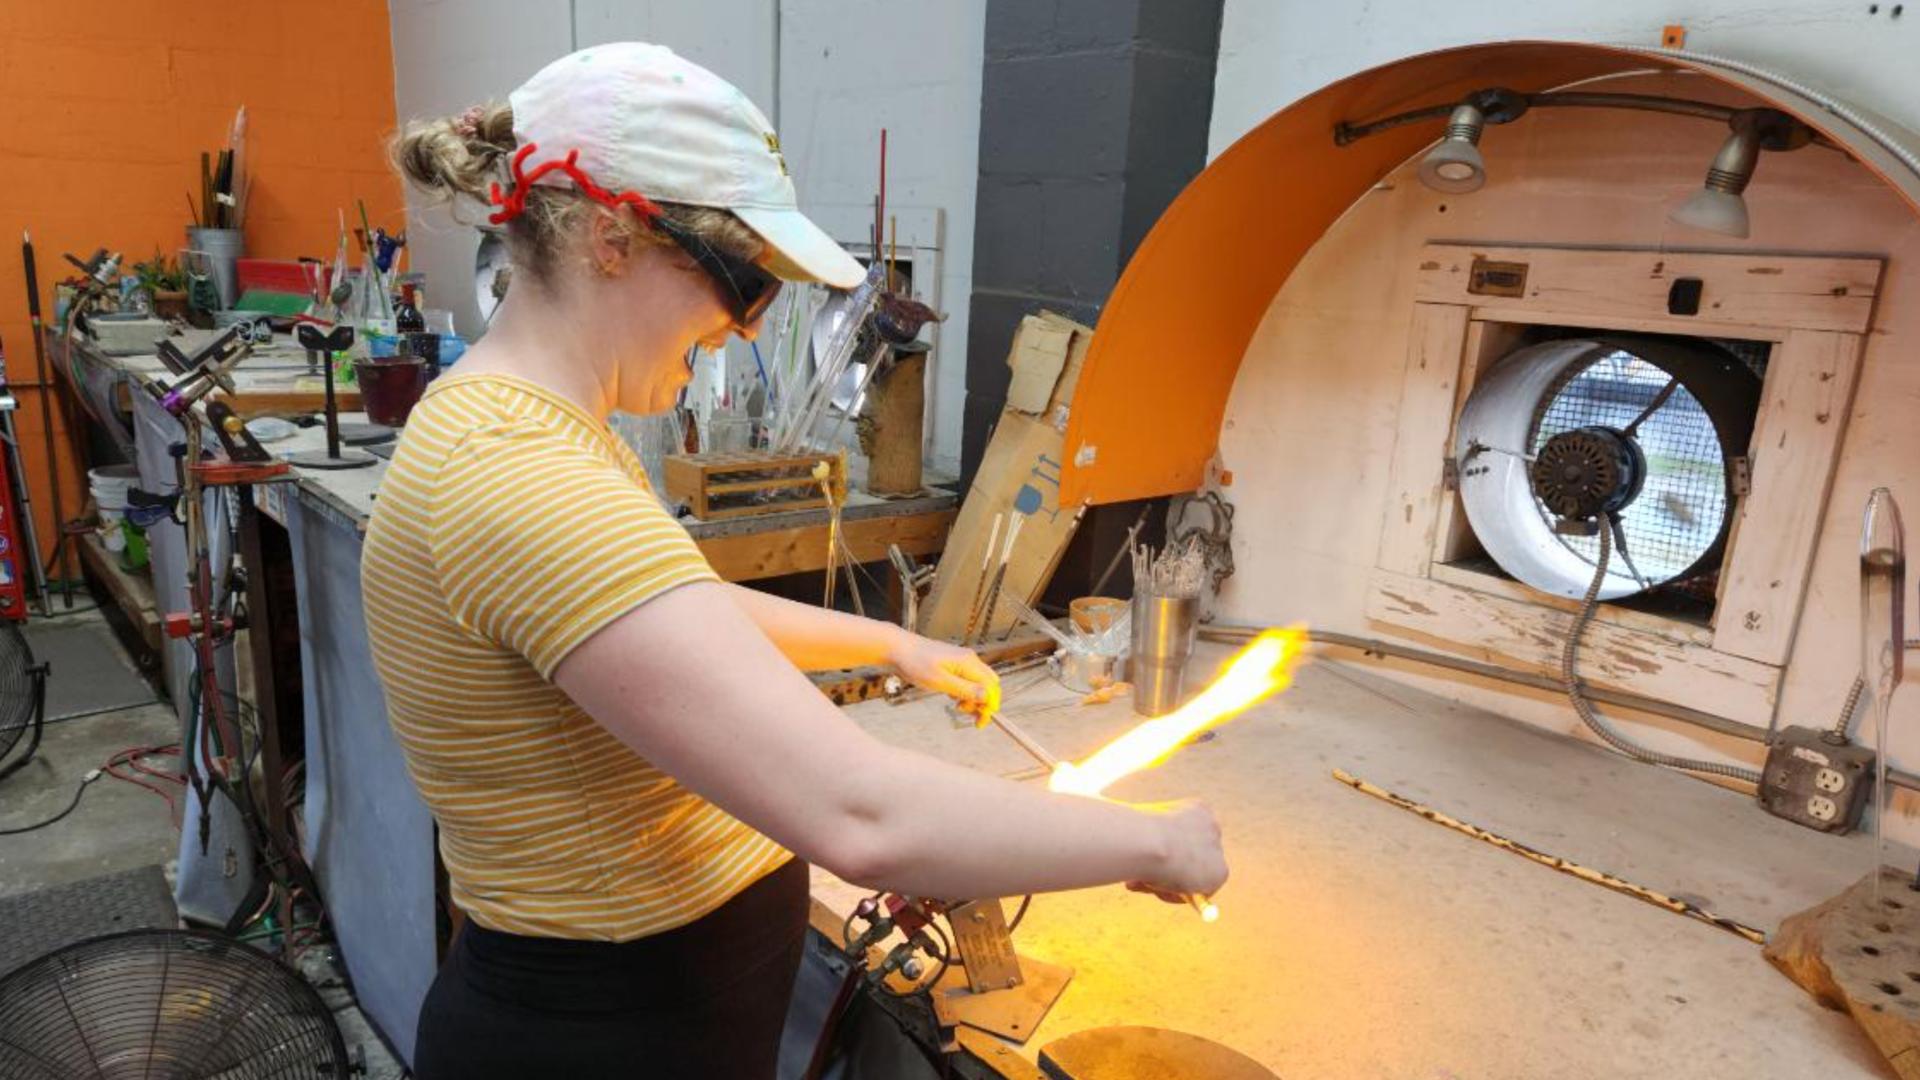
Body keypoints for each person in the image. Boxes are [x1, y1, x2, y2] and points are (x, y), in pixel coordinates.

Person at [366, 41, 1227, 1079]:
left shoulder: (530, 429)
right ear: (610, 238)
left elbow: (661, 613)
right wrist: (1155, 844)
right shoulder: (517, 473)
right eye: (745, 283)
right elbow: (862, 815)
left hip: (643, 1011)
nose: (739, 331)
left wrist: (884, 642)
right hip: (600, 1035)